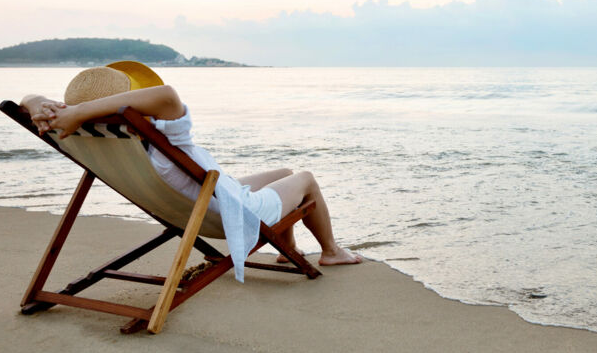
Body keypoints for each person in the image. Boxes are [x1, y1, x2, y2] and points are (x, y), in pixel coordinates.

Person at [20, 61, 361, 282]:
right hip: (225, 212)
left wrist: (44, 105)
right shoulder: (165, 132)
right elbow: (168, 95)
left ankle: (290, 254)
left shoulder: (95, 136)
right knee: (305, 178)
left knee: (283, 170)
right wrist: (81, 111)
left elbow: (27, 98)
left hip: (197, 201)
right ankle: (331, 251)